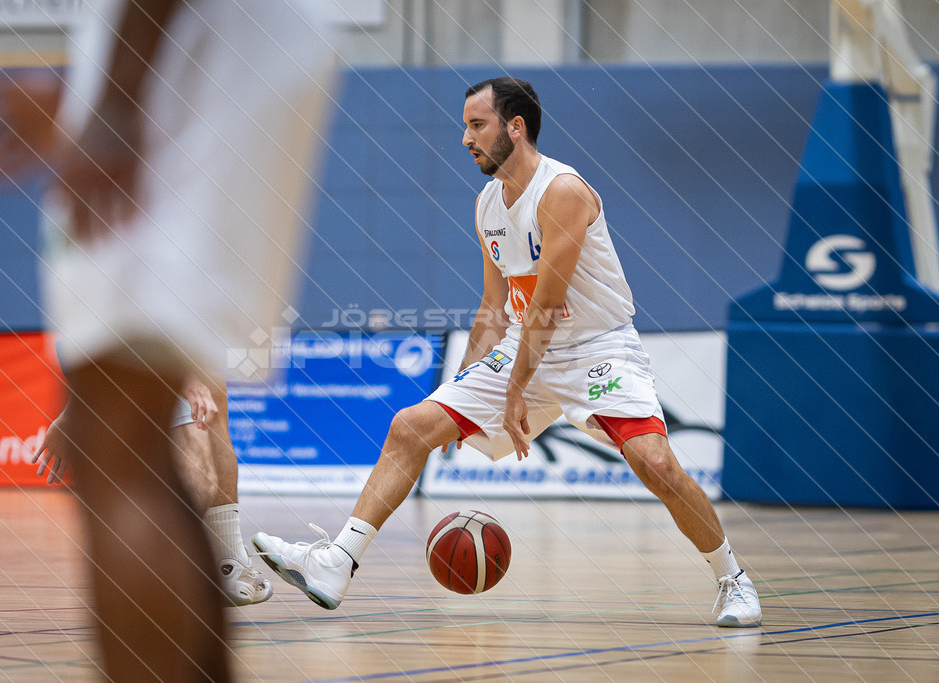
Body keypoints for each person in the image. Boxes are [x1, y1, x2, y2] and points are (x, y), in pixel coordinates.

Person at [253, 77, 762, 629]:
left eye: (477, 125)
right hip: (526, 346)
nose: (465, 138)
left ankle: (733, 579)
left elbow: (547, 301)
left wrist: (516, 390)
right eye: (465, 126)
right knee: (410, 427)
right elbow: (497, 306)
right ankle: (337, 561)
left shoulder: (561, 191)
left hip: (597, 347)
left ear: (514, 128)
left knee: (656, 463)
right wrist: (460, 392)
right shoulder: (487, 204)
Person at [0, 0, 336, 677]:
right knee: (134, 447)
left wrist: (114, 104)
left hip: (182, 42)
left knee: (114, 446)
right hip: (222, 45)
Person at [33, 374, 272, 607]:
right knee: (195, 480)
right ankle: (159, 574)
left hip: (150, 349)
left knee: (212, 390)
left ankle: (228, 565)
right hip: (141, 350)